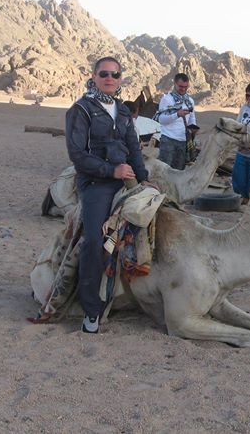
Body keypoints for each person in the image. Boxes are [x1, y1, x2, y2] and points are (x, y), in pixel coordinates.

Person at [65, 56, 149, 334]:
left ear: (121, 78)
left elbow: (133, 148)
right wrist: (111, 170)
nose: (109, 78)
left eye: (115, 74)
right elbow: (77, 154)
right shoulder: (81, 109)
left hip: (127, 177)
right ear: (94, 76)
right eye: (104, 74)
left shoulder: (122, 111)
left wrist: (144, 178)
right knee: (94, 240)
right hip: (96, 182)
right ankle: (91, 309)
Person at [155, 73, 199, 170]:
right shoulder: (167, 99)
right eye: (180, 86)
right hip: (168, 139)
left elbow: (192, 117)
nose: (183, 89)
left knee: (179, 171)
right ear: (174, 84)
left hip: (183, 141)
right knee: (164, 170)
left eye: (185, 87)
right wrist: (177, 114)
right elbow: (161, 119)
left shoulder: (189, 101)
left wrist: (193, 128)